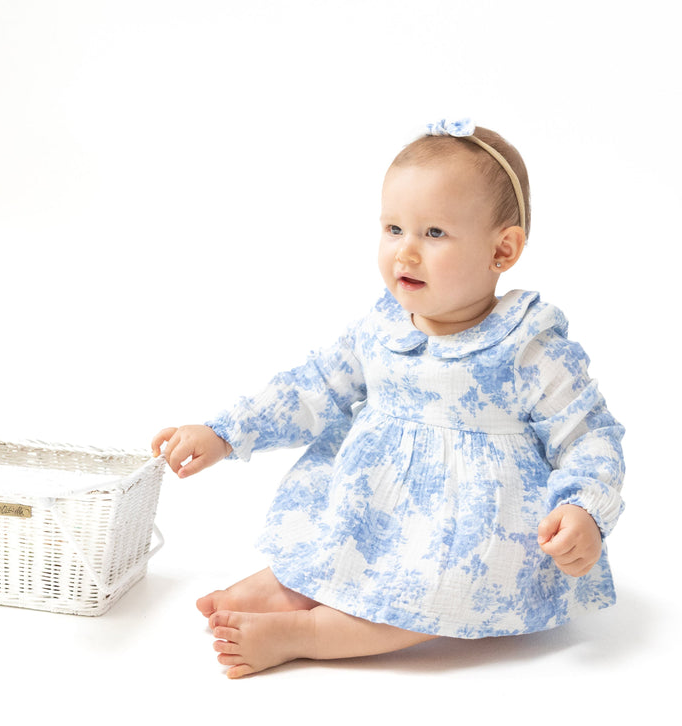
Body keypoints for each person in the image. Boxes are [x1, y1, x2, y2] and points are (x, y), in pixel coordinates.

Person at [151, 119, 626, 679]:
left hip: (470, 529)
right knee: (334, 535)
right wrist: (225, 432)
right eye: (394, 228)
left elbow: (588, 435)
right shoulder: (381, 328)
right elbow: (313, 385)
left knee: (438, 589)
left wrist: (583, 508)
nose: (406, 252)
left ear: (502, 249)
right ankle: (291, 586)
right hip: (377, 503)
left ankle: (309, 634)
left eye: (434, 233)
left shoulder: (528, 346)